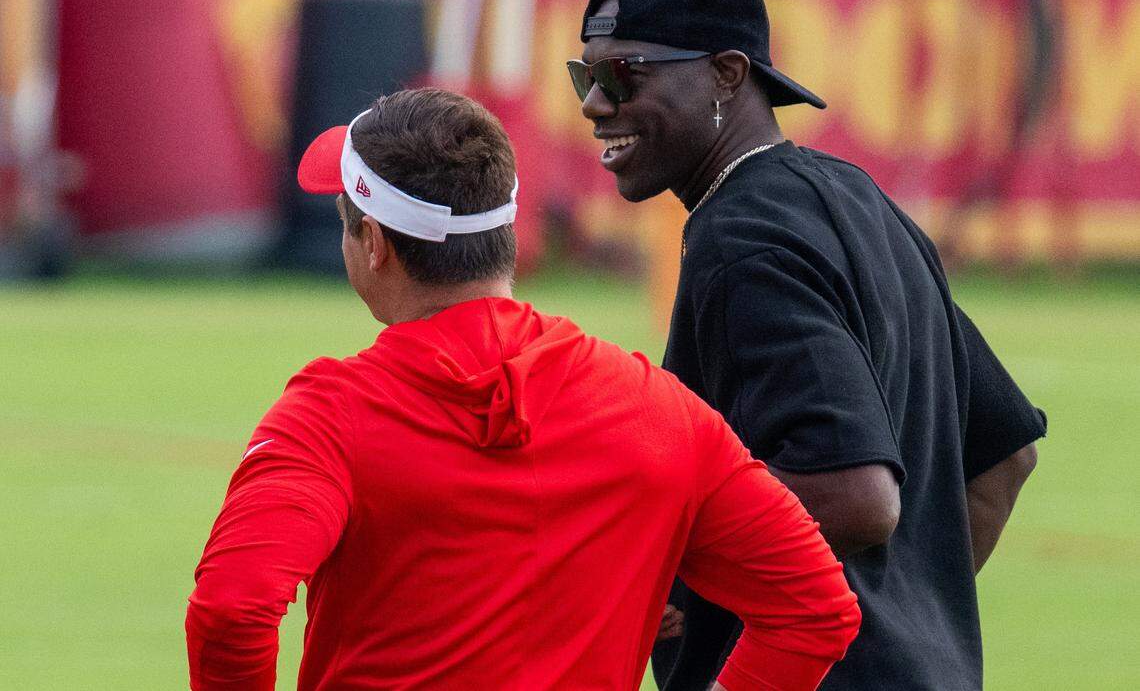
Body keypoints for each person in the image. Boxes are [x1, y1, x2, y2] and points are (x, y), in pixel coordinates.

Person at [185, 88, 861, 690]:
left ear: (374, 246)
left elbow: (232, 605)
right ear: (504, 231)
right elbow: (815, 607)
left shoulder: (330, 413)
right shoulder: (655, 407)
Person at [571, 0, 1046, 691]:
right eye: (585, 76)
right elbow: (1003, 458)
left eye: (623, 73)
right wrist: (906, 629)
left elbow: (857, 498)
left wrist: (656, 540)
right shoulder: (857, 197)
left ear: (727, 74)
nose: (595, 103)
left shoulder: (741, 237)